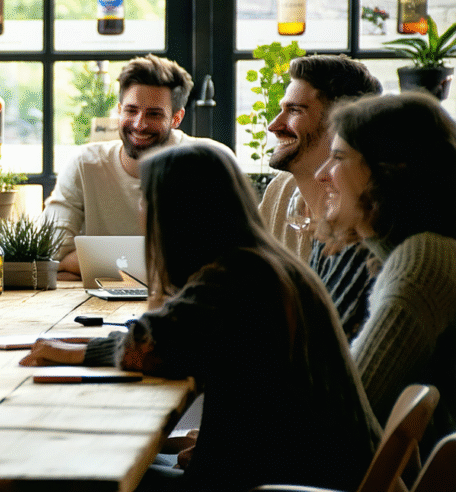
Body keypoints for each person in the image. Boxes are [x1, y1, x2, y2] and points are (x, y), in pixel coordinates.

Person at [22, 143, 380, 492]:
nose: (141, 209)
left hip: (288, 481)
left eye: (147, 198)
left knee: (70, 473)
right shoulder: (264, 263)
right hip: (304, 469)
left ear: (182, 211)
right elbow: (178, 341)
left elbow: (149, 347)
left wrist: (74, 352)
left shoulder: (233, 276)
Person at [317, 92, 456, 451]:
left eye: (338, 158)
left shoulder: (422, 262)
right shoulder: (403, 255)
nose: (322, 175)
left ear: (391, 171)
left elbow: (339, 418)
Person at [40, 54, 233, 279]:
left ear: (176, 118)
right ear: (120, 109)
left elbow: (226, 258)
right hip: (96, 304)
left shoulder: (209, 162)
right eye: (131, 110)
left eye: (154, 114)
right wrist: (162, 266)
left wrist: (92, 263)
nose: (139, 124)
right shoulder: (85, 164)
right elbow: (51, 254)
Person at [259, 55, 382, 340]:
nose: (274, 125)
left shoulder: (365, 225)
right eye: (281, 110)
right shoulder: (280, 191)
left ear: (340, 124)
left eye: (295, 111)